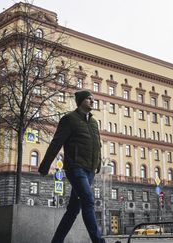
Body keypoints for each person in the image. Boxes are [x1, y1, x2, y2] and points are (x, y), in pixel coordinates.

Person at [38, 90, 105, 243]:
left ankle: (56, 241)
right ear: (81, 101)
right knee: (88, 201)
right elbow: (57, 142)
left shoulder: (94, 122)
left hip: (90, 170)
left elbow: (97, 144)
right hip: (76, 168)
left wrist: (99, 162)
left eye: (92, 99)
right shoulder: (69, 119)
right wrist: (45, 165)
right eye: (88, 98)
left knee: (73, 210)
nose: (92, 101)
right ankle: (99, 241)